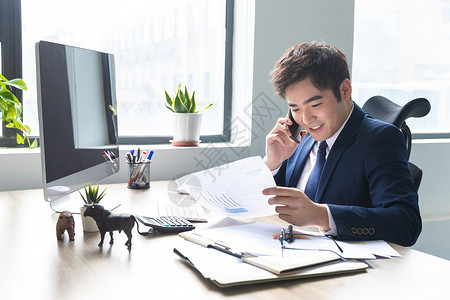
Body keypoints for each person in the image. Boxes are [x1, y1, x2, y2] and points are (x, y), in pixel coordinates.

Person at [262, 41, 421, 247]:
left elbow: (406, 223)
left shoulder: (381, 139)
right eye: (296, 108)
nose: (307, 119)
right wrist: (271, 164)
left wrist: (321, 215)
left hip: (348, 269)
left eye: (315, 104)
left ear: (345, 90)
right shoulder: (299, 138)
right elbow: (270, 206)